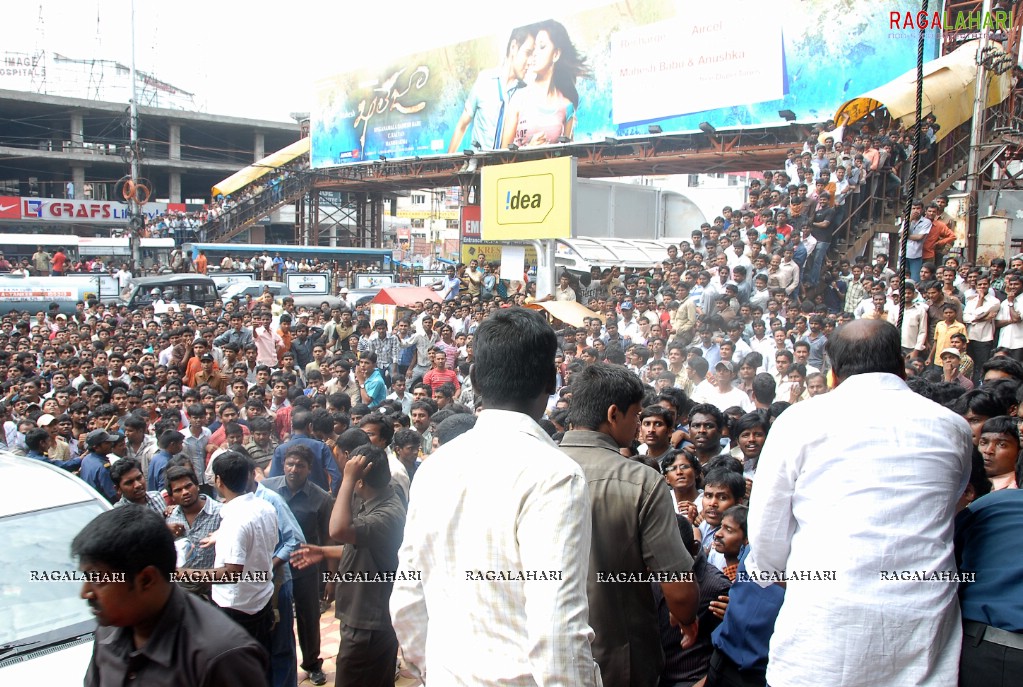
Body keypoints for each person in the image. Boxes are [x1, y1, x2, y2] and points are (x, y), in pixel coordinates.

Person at [746, 319, 972, 687]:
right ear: (900, 366)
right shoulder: (953, 426)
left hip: (822, 634)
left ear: (832, 373)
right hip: (919, 630)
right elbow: (950, 501)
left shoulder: (799, 421)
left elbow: (767, 540)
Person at [390, 307, 601, 685]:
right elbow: (557, 631)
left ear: (474, 379)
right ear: (552, 382)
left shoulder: (435, 466)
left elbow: (407, 597)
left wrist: (434, 671)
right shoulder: (555, 475)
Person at [559, 362, 699, 686]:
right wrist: (687, 617)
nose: (639, 425)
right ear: (612, 415)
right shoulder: (641, 481)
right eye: (637, 415)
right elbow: (679, 589)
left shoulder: (532, 469)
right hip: (619, 661)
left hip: (542, 653)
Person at [74, 506, 268, 686]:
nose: (85, 593)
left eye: (97, 579)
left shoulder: (221, 657)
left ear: (146, 580)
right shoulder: (109, 631)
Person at [292, 444, 406, 687]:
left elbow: (338, 530)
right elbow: (359, 547)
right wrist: (323, 552)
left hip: (368, 622)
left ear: (361, 483)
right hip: (363, 617)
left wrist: (348, 479)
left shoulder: (387, 513)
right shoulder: (379, 500)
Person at [447, 23, 538, 151]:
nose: (530, 62)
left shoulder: (525, 92)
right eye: (527, 53)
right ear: (513, 47)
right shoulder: (484, 80)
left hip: (505, 166)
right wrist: (448, 162)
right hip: (477, 165)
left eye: (533, 56)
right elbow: (462, 124)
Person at [500, 19, 589, 148]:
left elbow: (568, 156)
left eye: (541, 47)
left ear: (556, 54)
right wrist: (528, 149)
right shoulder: (518, 99)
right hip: (522, 168)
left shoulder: (567, 106)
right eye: (534, 48)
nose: (534, 53)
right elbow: (503, 155)